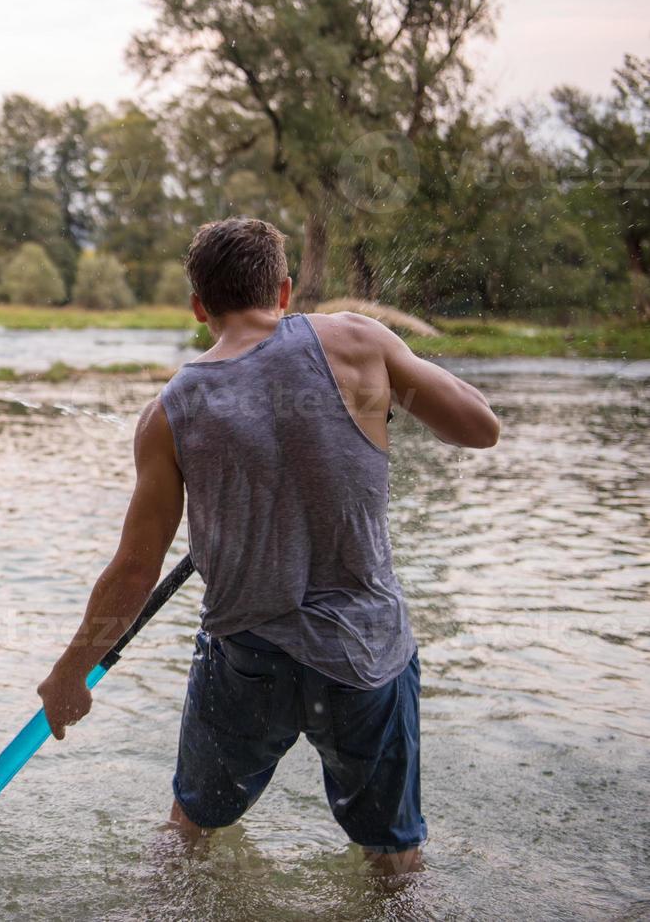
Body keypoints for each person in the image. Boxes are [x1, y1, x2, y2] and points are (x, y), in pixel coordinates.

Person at [36, 218, 499, 874]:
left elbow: (135, 568)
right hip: (365, 654)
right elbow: (479, 429)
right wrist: (394, 372)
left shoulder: (167, 411)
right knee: (395, 859)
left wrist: (68, 673)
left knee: (185, 833)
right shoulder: (358, 342)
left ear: (199, 307)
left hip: (246, 660)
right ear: (283, 292)